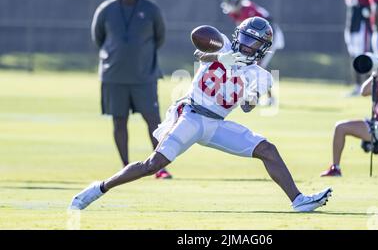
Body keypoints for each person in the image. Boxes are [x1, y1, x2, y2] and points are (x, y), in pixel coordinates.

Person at [70, 17, 332, 212]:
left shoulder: (261, 76)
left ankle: (298, 200)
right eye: (245, 37)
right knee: (153, 165)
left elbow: (247, 107)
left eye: (254, 42)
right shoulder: (226, 46)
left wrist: (253, 92)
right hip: (191, 115)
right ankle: (99, 188)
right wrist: (224, 57)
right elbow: (199, 49)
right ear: (238, 34)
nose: (247, 44)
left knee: (267, 149)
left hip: (217, 124)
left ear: (262, 48)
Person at [91, 0, 172, 179]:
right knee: (119, 121)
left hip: (144, 76)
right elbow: (98, 37)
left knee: (154, 120)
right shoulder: (106, 9)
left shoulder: (150, 9)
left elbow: (159, 37)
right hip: (114, 76)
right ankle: (125, 166)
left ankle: (159, 166)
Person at [321, 41, 378, 177]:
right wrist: (375, 76)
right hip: (376, 125)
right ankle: (336, 168)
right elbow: (364, 91)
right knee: (340, 127)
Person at [221, 0, 285, 105]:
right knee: (253, 64)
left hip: (270, 37)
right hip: (259, 39)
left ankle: (261, 97)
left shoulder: (248, 10)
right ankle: (255, 94)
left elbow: (265, 31)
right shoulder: (237, 11)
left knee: (258, 65)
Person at [343, 0, 372, 96]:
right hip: (351, 26)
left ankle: (368, 87)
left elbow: (372, 4)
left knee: (363, 56)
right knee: (353, 56)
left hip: (362, 26)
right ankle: (356, 86)